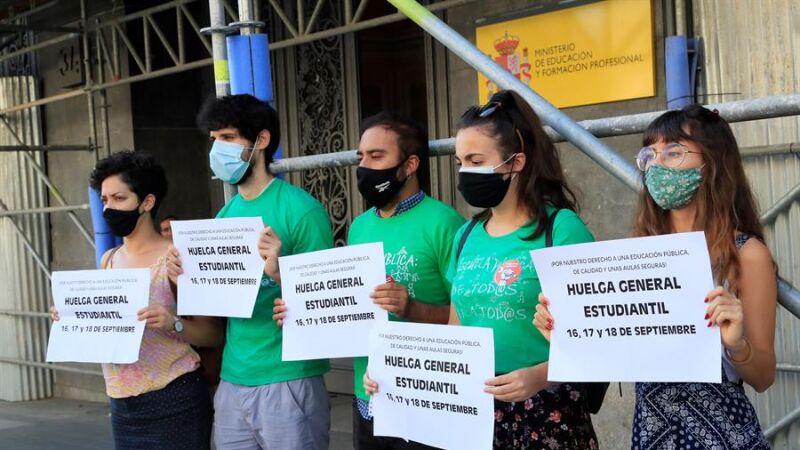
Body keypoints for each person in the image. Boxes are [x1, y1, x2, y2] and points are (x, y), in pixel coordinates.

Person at [364, 90, 599, 449]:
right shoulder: (466, 235)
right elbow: (455, 333)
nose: (465, 172)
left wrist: (541, 376)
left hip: (545, 413)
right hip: (472, 410)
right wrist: (391, 371)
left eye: (476, 160)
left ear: (516, 162)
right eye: (461, 161)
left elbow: (597, 337)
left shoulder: (562, 229)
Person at [534, 104, 776, 449]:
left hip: (723, 434)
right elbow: (614, 354)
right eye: (649, 155)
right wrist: (566, 334)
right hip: (652, 432)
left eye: (673, 152)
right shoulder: (639, 254)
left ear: (714, 162)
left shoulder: (746, 253)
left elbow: (764, 377)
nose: (657, 165)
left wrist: (736, 344)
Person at [274, 112, 464, 449]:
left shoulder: (445, 224)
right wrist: (300, 312)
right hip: (369, 397)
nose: (364, 167)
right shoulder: (360, 226)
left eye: (377, 156)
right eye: (361, 157)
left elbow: (467, 319)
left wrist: (411, 308)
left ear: (410, 165)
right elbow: (348, 308)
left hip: (428, 402)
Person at [168, 94, 334, 450]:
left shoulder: (301, 210)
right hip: (232, 378)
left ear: (261, 140)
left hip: (288, 377)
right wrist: (181, 276)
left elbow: (328, 300)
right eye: (214, 139)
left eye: (228, 138)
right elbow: (212, 308)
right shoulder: (224, 217)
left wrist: (280, 272)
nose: (218, 148)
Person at [51, 150, 224, 450]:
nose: (109, 208)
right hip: (121, 402)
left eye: (119, 198)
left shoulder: (176, 258)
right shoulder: (109, 259)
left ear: (147, 202)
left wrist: (173, 323)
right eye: (105, 200)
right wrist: (70, 316)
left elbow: (213, 334)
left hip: (175, 397)